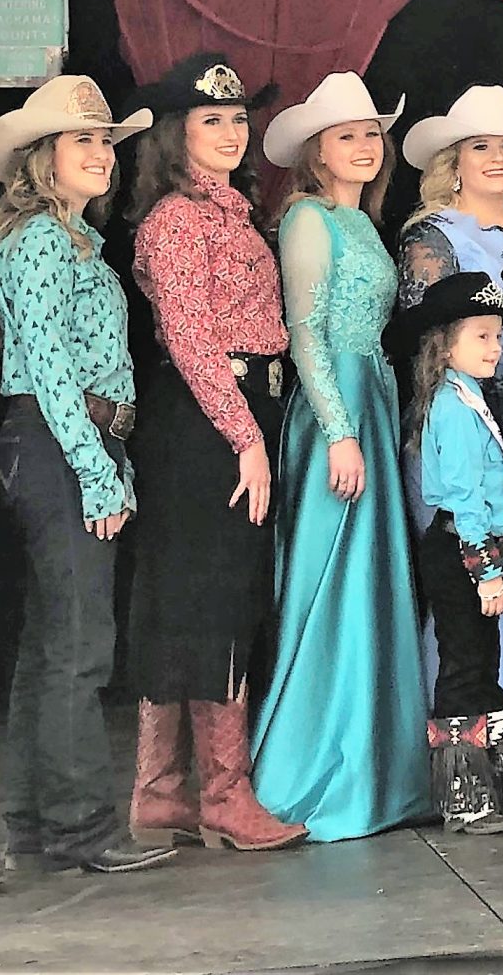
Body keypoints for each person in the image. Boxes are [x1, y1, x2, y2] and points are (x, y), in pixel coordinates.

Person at [0, 76, 174, 874]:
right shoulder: (42, 242)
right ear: (41, 156)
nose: (101, 153)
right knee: (80, 643)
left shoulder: (75, 238)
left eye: (105, 141)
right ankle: (79, 825)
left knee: (54, 639)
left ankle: (38, 821)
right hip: (60, 440)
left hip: (76, 439)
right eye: (82, 140)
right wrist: (96, 469)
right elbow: (52, 367)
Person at [121, 55, 308, 852]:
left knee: (202, 595)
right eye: (213, 121)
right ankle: (222, 794)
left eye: (238, 120)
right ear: (178, 134)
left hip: (243, 405)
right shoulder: (174, 220)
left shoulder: (235, 213)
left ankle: (162, 789)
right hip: (208, 418)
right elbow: (192, 339)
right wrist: (245, 437)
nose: (232, 133)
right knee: (212, 598)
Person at [248, 72, 432, 838]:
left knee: (370, 581)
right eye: (346, 135)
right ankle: (312, 773)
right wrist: (340, 430)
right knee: (332, 584)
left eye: (369, 133)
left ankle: (376, 772)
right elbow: (305, 332)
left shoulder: (359, 221)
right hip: (337, 409)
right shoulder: (307, 218)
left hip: (370, 398)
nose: (363, 145)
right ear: (316, 152)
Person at [394, 83, 503, 747]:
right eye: (480, 145)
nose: (497, 157)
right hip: (456, 423)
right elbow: (427, 345)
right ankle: (466, 759)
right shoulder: (430, 238)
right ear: (452, 161)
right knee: (468, 593)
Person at [397, 271, 503, 834]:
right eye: (481, 337)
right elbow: (466, 499)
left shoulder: (475, 398)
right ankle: (463, 796)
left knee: (482, 666)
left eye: (497, 335)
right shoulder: (453, 407)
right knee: (463, 668)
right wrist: (486, 569)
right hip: (461, 551)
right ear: (445, 347)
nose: (495, 347)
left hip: (477, 549)